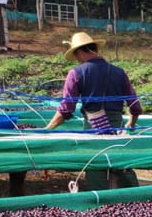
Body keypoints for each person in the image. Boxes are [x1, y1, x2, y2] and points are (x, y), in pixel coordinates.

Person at [45, 31, 142, 190]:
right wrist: (131, 122)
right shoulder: (119, 72)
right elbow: (135, 107)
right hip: (116, 131)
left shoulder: (76, 73)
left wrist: (47, 130)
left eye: (76, 55)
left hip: (93, 131)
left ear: (80, 51)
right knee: (120, 165)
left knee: (96, 166)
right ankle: (130, 202)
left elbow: (66, 110)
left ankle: (102, 206)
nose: (77, 59)